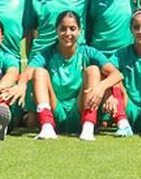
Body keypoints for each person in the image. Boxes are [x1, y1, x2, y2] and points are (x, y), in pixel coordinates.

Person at [29, 11, 124, 141]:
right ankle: (47, 127)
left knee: (93, 70)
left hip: (79, 108)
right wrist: (21, 84)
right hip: (57, 109)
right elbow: (29, 71)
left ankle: (88, 127)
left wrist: (101, 87)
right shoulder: (47, 53)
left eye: (72, 29)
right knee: (39, 72)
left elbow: (117, 74)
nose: (68, 34)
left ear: (80, 31)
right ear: (56, 30)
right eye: (63, 29)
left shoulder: (88, 51)